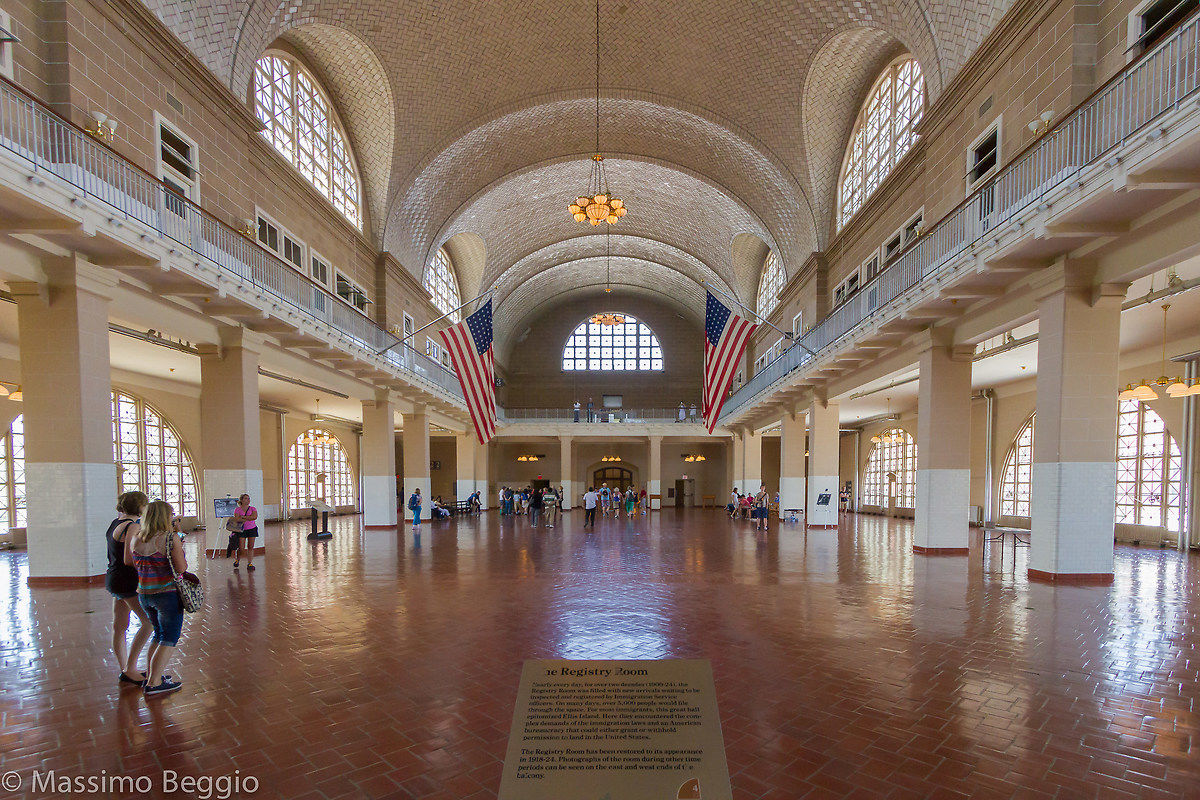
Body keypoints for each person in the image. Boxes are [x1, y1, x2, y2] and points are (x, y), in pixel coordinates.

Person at [126, 500, 186, 698]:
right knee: (169, 638)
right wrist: (177, 535)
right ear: (164, 517)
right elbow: (181, 567)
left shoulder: (137, 538)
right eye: (171, 515)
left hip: (144, 594)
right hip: (166, 594)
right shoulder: (170, 539)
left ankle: (154, 675)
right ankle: (154, 683)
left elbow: (134, 564)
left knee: (158, 634)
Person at [107, 491, 152, 688]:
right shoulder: (132, 526)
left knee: (120, 626)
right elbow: (129, 559)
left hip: (114, 577)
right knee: (149, 622)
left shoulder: (115, 523)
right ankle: (130, 668)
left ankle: (125, 667)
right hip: (127, 580)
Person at [232, 493, 258, 572]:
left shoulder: (252, 508)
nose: (248, 500)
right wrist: (248, 518)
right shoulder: (238, 509)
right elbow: (237, 519)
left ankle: (250, 563)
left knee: (250, 546)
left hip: (252, 529)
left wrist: (243, 517)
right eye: (246, 498)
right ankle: (237, 560)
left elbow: (254, 517)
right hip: (241, 530)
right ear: (242, 500)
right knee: (241, 547)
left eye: (249, 498)